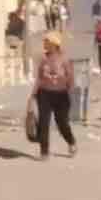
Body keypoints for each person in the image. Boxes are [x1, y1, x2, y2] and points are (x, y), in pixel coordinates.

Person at [32, 31, 77, 161]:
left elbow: (71, 78)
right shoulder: (43, 59)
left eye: (46, 41)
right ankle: (44, 152)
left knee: (62, 123)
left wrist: (69, 93)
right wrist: (33, 95)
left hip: (61, 95)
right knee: (43, 122)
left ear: (54, 44)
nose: (44, 44)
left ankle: (71, 141)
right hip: (44, 94)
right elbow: (39, 78)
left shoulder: (64, 59)